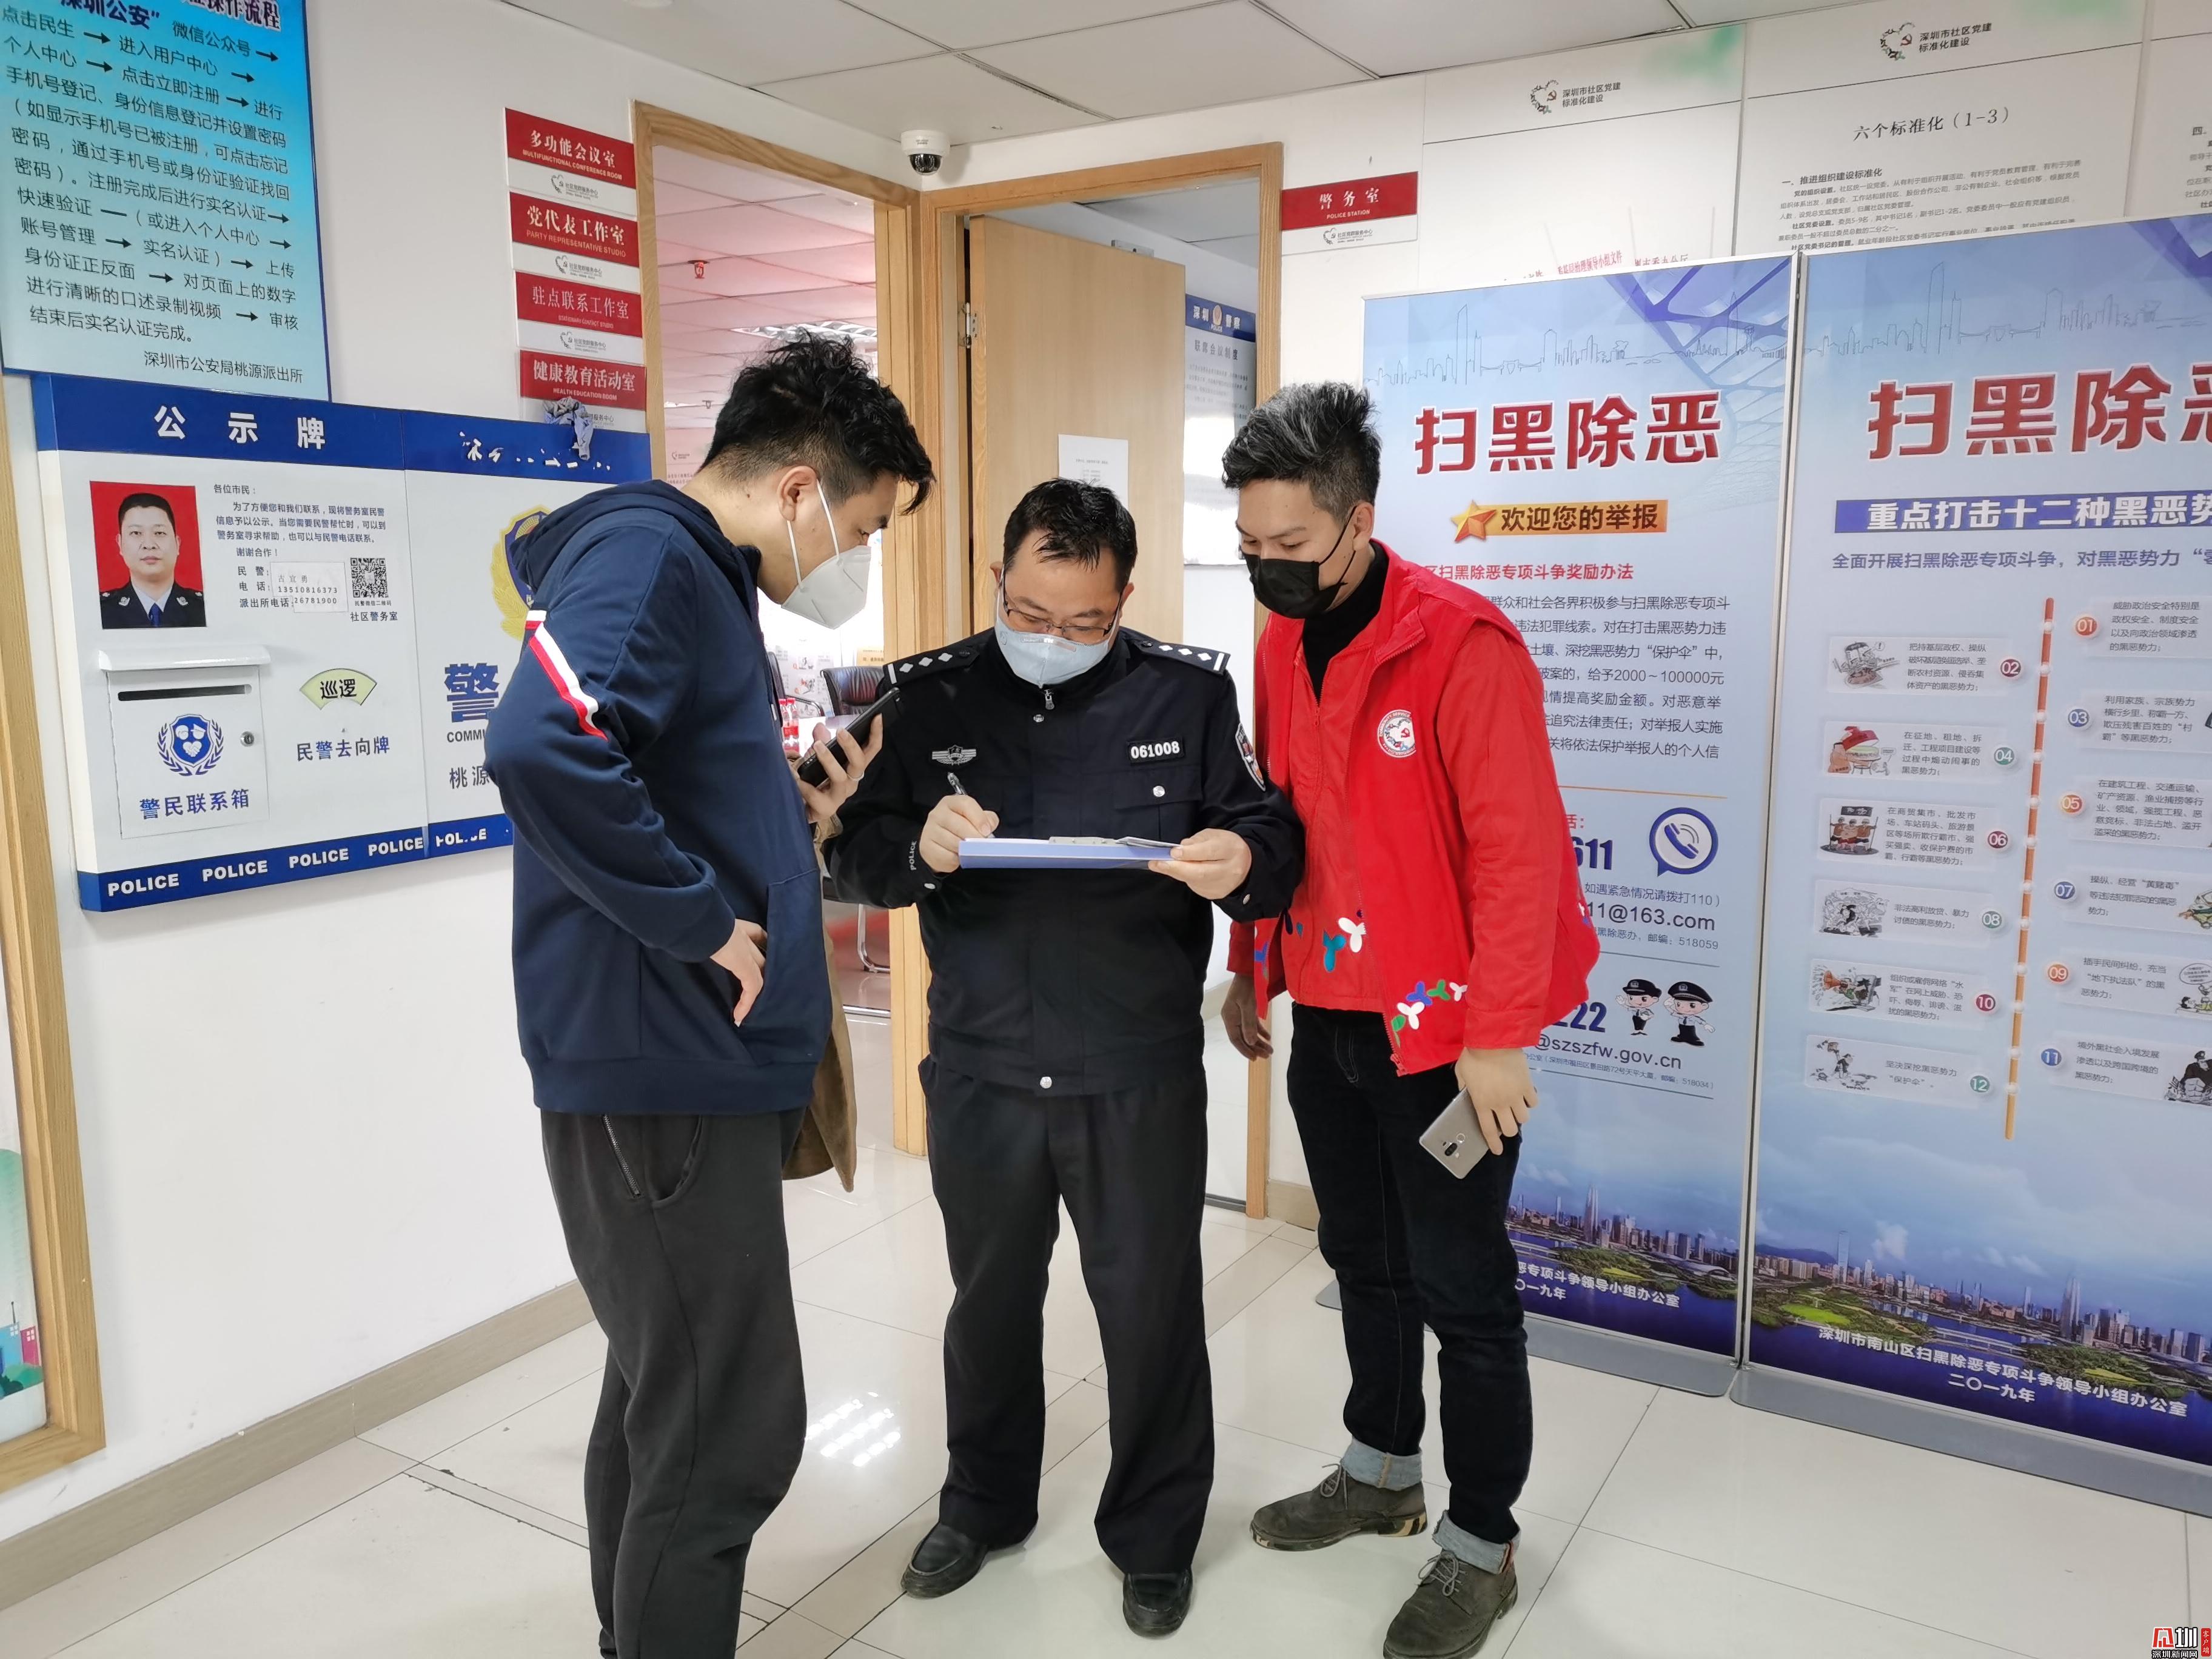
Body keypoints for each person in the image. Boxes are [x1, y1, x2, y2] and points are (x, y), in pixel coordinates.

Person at [483, 335, 933, 1659]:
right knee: (728, 1430)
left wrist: (787, 815)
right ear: (799, 489)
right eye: (867, 525)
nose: (860, 556)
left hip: (671, 1061)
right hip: (663, 1065)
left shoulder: (697, 578)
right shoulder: (654, 555)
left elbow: (655, 777)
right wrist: (697, 918)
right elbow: (544, 742)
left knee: (665, 1401)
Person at [824, 478, 1303, 1638]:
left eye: (1083, 620)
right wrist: (920, 848)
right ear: (998, 580)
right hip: (982, 1065)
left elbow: (1272, 832)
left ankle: (1153, 1537)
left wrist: (1242, 860)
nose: (1052, 637)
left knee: (1149, 1312)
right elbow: (850, 854)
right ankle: (981, 1506)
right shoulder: (921, 697)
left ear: (1122, 599)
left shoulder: (1188, 694)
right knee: (987, 1303)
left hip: (1132, 1069)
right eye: (1030, 612)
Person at [1218, 384, 1597, 1659]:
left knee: (1465, 1292)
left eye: (1291, 545)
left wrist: (1496, 1033)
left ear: (1359, 520)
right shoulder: (1281, 639)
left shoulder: (1462, 644)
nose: (1269, 567)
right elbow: (1277, 817)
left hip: (1441, 1034)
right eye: (1250, 545)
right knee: (1360, 1262)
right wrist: (1253, 963)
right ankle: (1380, 1471)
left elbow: (1519, 853)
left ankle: (1480, 1544)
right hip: (1328, 1009)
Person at [99, 491, 204, 628]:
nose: (149, 545)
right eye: (136, 533)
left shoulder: (204, 608)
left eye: (159, 533)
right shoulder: (101, 611)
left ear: (177, 544)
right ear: (120, 544)